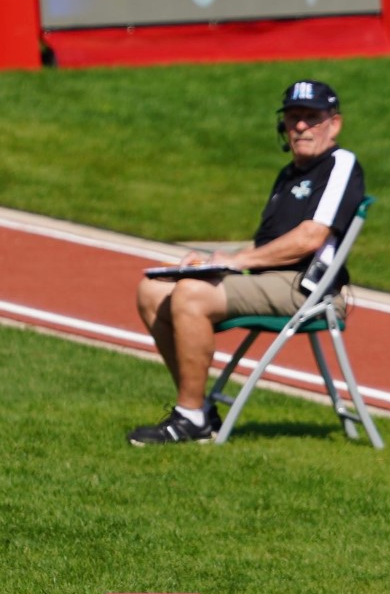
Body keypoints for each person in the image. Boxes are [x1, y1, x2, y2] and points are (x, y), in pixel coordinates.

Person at [127, 80, 365, 446]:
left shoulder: (339, 164)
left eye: (311, 118)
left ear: (334, 124)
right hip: (272, 281)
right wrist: (209, 261)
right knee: (151, 290)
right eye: (293, 117)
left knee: (190, 294)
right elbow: (266, 244)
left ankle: (190, 419)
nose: (300, 126)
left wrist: (237, 261)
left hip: (310, 289)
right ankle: (198, 411)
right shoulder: (288, 175)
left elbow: (311, 237)